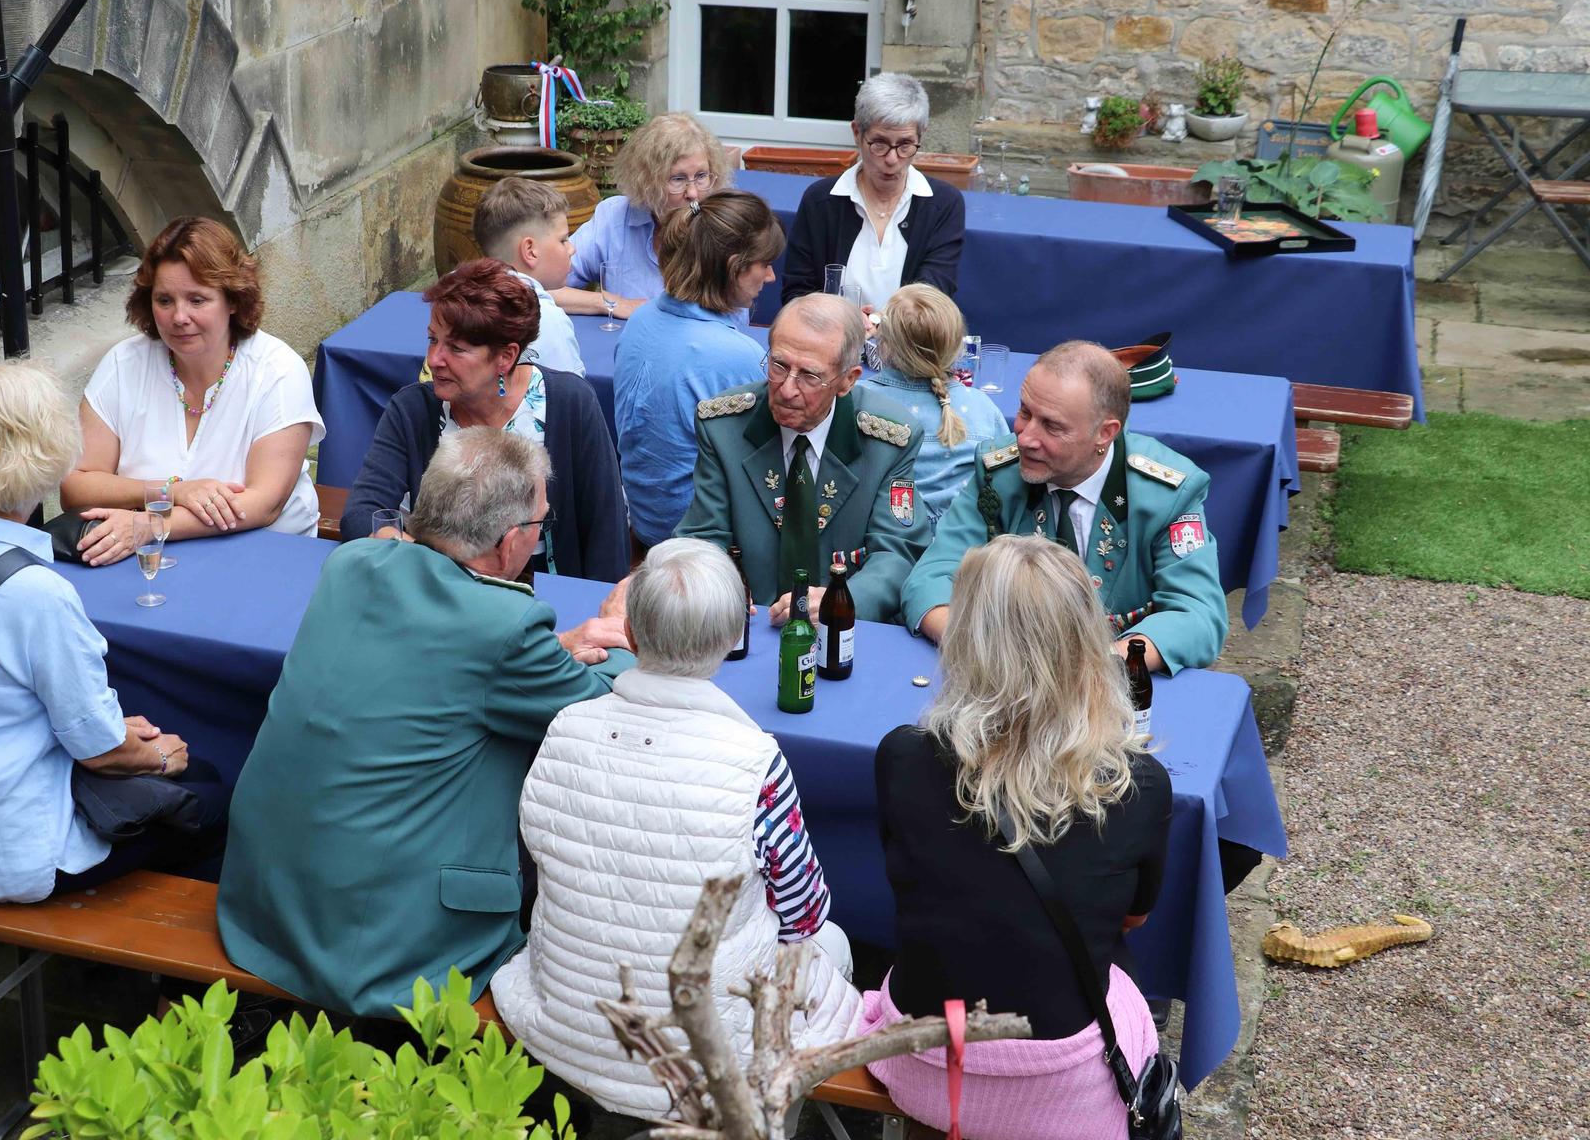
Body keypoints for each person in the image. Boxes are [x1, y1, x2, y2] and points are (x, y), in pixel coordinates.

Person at [217, 430, 634, 1015]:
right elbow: (603, 713)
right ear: (510, 541)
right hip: (383, 945)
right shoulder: (504, 625)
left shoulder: (353, 563)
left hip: (267, 904)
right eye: (542, 523)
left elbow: (445, 659)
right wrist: (621, 629)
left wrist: (557, 648)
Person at [490, 538, 860, 1120]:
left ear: (631, 635)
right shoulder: (754, 762)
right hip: (703, 1052)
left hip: (569, 1018)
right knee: (831, 944)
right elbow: (805, 914)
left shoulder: (565, 728)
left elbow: (539, 855)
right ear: (725, 642)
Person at [0, 362, 222, 904]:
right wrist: (162, 756)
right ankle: (146, 974)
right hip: (6, 855)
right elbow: (100, 752)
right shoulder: (37, 592)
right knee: (213, 790)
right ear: (48, 452)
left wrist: (107, 731)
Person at [858, 535, 1171, 1140]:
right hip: (1063, 1086)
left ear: (968, 638)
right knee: (1125, 974)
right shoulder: (1139, 785)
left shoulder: (903, 756)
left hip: (929, 1064)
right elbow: (1134, 918)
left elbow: (910, 874)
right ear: (1085, 643)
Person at [900, 340, 1227, 673]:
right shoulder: (999, 474)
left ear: (1105, 433)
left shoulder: (1167, 493)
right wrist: (979, 649)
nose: (1025, 437)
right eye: (1025, 412)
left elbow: (1197, 616)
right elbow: (930, 578)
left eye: (1052, 426)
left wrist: (1099, 667)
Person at [339, 258, 627, 580]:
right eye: (433, 339)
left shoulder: (571, 403)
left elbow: (607, 534)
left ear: (506, 356)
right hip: (440, 592)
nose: (434, 360)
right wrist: (433, 569)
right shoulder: (413, 410)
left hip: (548, 591)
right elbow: (362, 515)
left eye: (457, 349)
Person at [63, 216, 324, 566]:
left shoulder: (278, 370)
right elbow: (75, 488)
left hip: (263, 556)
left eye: (197, 300)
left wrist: (149, 523)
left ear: (233, 300)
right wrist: (170, 491)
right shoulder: (123, 365)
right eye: (165, 300)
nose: (179, 317)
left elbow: (264, 505)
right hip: (150, 560)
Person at [676, 294, 929, 626]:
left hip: (842, 631)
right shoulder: (724, 427)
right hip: (746, 623)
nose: (786, 389)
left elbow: (897, 552)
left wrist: (842, 602)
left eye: (810, 376)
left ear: (848, 380)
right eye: (778, 365)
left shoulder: (888, 440)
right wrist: (720, 591)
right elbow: (703, 537)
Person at [613, 190, 779, 551]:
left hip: (644, 522)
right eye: (764, 264)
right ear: (734, 267)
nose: (770, 276)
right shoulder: (737, 354)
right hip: (701, 545)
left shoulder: (641, 319)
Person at [781, 72, 966, 318]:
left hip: (909, 346)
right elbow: (797, 293)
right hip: (833, 344)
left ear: (922, 136)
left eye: (905, 145)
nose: (892, 159)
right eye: (879, 143)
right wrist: (846, 323)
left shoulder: (943, 204)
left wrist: (879, 323)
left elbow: (934, 295)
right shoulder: (820, 201)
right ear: (857, 133)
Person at [861, 284, 1009, 528]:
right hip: (964, 548)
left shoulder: (861, 401)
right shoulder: (983, 407)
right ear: (957, 344)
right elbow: (1004, 481)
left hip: (883, 543)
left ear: (884, 343)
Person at [562, 111, 734, 318]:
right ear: (647, 183)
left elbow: (735, 320)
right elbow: (538, 287)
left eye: (701, 176)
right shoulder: (615, 217)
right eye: (678, 179)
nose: (693, 193)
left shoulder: (724, 227)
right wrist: (613, 303)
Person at [472, 176, 585, 376]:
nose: (572, 249)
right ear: (530, 250)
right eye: (563, 240)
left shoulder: (456, 296)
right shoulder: (548, 320)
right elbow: (572, 400)